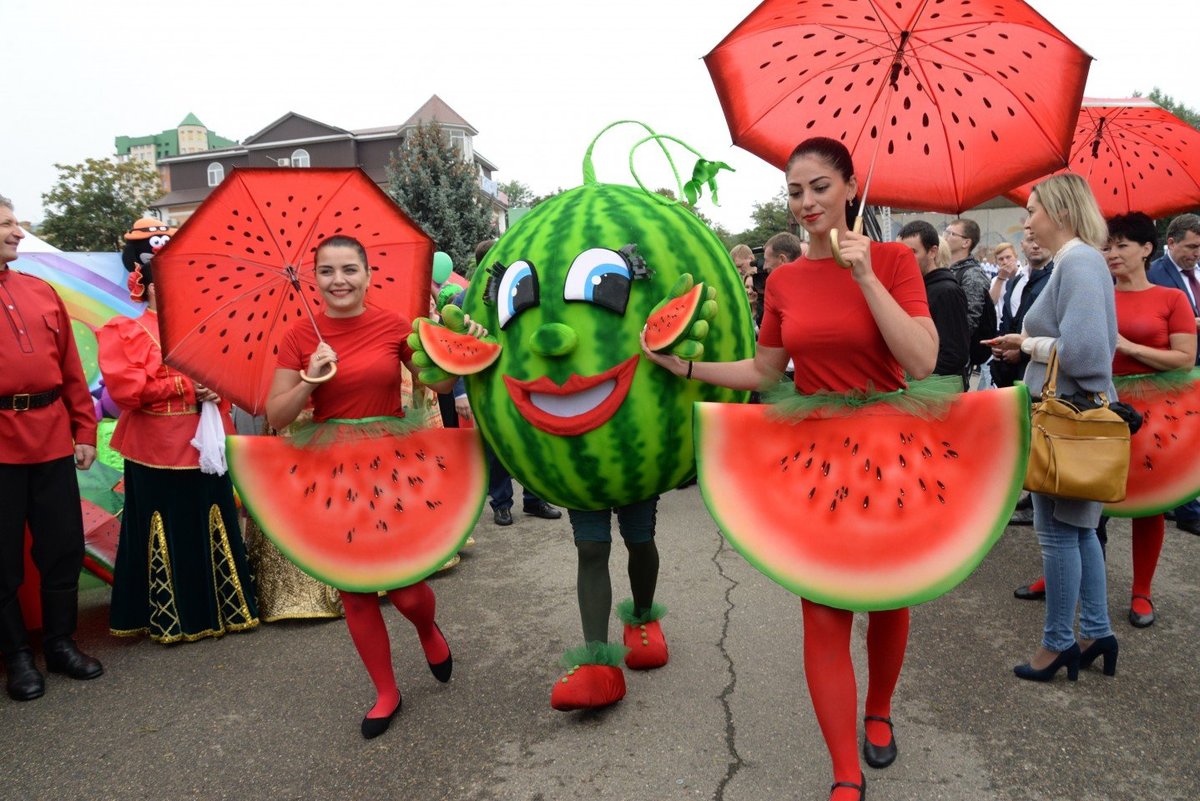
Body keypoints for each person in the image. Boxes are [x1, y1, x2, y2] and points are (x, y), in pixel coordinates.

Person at [643, 137, 938, 801]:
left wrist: (863, 275)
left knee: (893, 597)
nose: (805, 202)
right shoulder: (782, 279)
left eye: (819, 188)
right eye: (795, 191)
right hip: (815, 454)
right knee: (822, 608)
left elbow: (921, 361)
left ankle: (880, 708)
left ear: (850, 186)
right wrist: (684, 367)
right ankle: (844, 770)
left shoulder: (891, 260)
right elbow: (765, 371)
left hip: (890, 447)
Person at [265, 234, 479, 739]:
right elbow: (276, 415)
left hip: (391, 460)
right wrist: (310, 381)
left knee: (406, 589)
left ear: (367, 275)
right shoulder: (299, 336)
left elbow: (442, 384)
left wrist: (463, 343)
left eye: (348, 270)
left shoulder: (393, 325)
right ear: (314, 278)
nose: (338, 280)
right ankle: (386, 692)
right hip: (330, 466)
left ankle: (427, 629)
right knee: (355, 593)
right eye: (327, 271)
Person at [1011, 213, 1196, 630]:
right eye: (1108, 246)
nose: (1111, 253)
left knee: (1149, 502)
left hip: (1150, 414)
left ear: (1148, 249)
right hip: (1094, 408)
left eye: (1122, 246)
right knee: (1083, 504)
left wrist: (1129, 346)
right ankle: (1064, 580)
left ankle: (1141, 591)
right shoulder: (1097, 289)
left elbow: (1185, 358)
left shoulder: (1170, 299)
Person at [988, 173, 1118, 683]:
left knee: (1058, 536)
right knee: (1080, 531)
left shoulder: (1079, 260)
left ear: (1060, 212)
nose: (1029, 220)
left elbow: (1087, 354)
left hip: (1068, 420)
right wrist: (1026, 343)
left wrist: (1031, 346)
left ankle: (1058, 643)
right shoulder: (1080, 261)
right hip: (1072, 417)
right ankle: (1097, 630)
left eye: (1035, 209)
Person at [98, 260, 260, 643]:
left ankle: (225, 610)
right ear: (148, 287)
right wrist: (187, 388)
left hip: (209, 440)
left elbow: (231, 371)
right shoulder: (126, 329)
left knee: (215, 519)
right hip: (156, 447)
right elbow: (126, 391)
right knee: (169, 529)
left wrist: (217, 387)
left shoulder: (203, 329)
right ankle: (176, 619)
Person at [1, 196, 103, 701]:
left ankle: (61, 644)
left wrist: (85, 431)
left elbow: (71, 371)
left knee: (62, 545)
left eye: (16, 222)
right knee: (2, 560)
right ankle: (17, 657)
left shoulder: (41, 292)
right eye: (7, 224)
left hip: (51, 438)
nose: (18, 233)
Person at [1146, 213, 1200, 536]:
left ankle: (1176, 500)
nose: (1196, 253)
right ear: (1171, 242)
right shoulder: (1156, 274)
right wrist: (1188, 325)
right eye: (1191, 246)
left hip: (1196, 368)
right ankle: (1187, 509)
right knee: (1180, 442)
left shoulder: (1197, 274)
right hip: (1172, 372)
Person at [898, 220, 969, 384]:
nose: (904, 259)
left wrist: (916, 371)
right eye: (900, 252)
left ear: (932, 252)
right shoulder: (914, 288)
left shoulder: (947, 291)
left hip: (938, 390)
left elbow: (954, 354)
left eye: (912, 252)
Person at [944, 217, 995, 382]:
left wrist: (950, 347)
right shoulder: (948, 269)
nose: (944, 236)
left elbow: (969, 319)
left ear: (966, 243)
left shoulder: (971, 274)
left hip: (955, 356)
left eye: (951, 233)